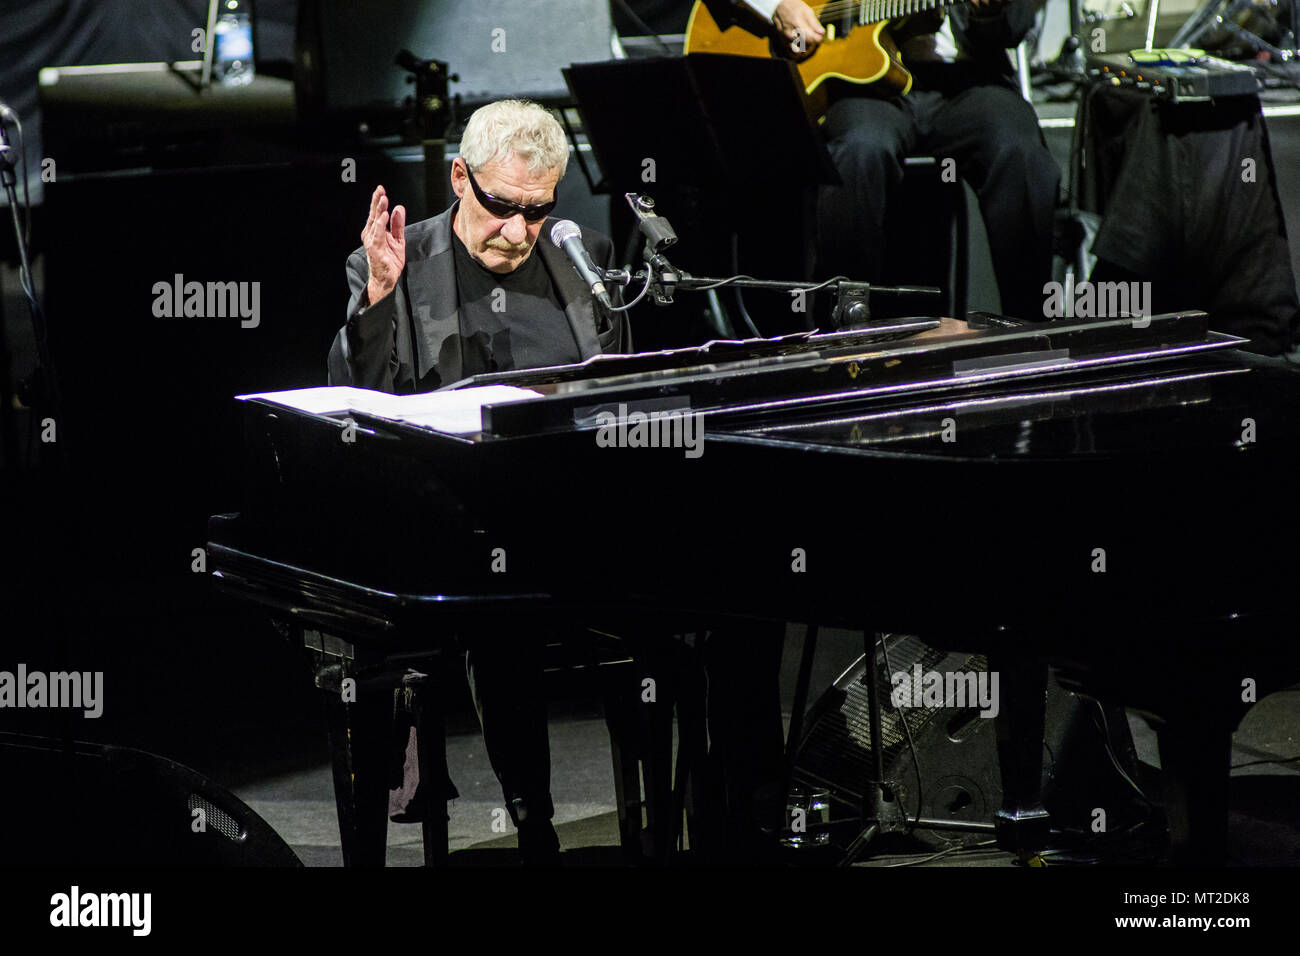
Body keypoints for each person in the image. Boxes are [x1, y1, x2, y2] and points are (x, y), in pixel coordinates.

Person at [328, 98, 630, 864]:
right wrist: (379, 301)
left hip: (575, 517)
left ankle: (699, 818)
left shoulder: (582, 259)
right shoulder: (394, 261)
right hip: (446, 527)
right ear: (460, 178)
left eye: (538, 211)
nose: (518, 232)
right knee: (502, 614)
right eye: (502, 207)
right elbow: (354, 410)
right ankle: (535, 822)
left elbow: (623, 399)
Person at [739, 0, 1060, 322]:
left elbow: (1013, 26)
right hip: (864, 83)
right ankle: (844, 330)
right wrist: (777, 6)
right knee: (859, 148)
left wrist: (988, 11)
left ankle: (1031, 327)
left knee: (1019, 149)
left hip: (968, 81)